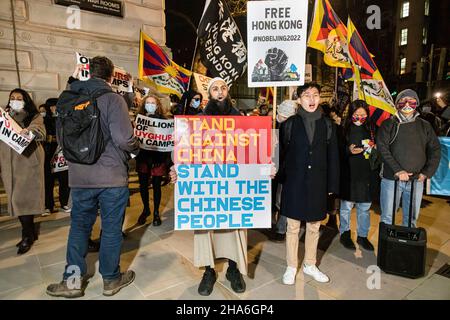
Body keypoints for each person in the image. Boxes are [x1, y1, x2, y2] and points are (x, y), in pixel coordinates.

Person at [46, 56, 140, 298]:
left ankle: (73, 281)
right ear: (110, 77)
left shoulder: (68, 98)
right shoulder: (113, 99)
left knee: (79, 228)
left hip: (79, 176)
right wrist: (135, 145)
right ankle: (111, 280)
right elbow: (123, 139)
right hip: (110, 177)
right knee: (110, 229)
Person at [170, 77, 247, 296]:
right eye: (215, 89)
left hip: (233, 182)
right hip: (207, 183)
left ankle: (233, 269)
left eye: (223, 88)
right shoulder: (198, 120)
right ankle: (209, 271)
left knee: (235, 227)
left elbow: (252, 148)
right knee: (206, 228)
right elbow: (184, 150)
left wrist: (264, 167)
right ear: (209, 94)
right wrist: (178, 169)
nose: (220, 92)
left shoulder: (239, 118)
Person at [279, 83, 339, 285]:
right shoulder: (289, 124)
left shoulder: (328, 125)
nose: (312, 99)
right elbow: (282, 155)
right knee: (293, 227)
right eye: (307, 95)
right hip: (294, 183)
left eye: (315, 95)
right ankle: (291, 266)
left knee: (314, 226)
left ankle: (310, 264)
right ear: (299, 99)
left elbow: (333, 157)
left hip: (318, 183)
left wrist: (332, 185)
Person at [377, 89, 441, 228]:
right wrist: (398, 171)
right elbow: (382, 149)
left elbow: (435, 150)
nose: (407, 104)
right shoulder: (388, 124)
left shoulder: (425, 126)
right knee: (388, 217)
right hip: (391, 180)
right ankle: (387, 248)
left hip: (416, 181)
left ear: (416, 103)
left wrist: (426, 173)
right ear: (397, 104)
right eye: (402, 101)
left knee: (411, 219)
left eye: (411, 101)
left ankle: (408, 248)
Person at [0, 88, 46, 255]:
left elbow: (40, 132)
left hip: (27, 163)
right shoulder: (4, 117)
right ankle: (30, 232)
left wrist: (29, 131)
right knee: (16, 199)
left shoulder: (33, 116)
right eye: (12, 98)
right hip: (8, 165)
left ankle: (27, 235)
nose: (15, 100)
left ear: (26, 100)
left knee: (23, 200)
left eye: (19, 98)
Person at [339, 100, 377, 251]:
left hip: (366, 174)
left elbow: (379, 150)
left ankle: (362, 236)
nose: (359, 118)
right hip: (349, 173)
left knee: (364, 207)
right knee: (346, 207)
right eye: (356, 115)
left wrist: (374, 148)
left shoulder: (372, 129)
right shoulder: (343, 129)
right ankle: (345, 234)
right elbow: (337, 151)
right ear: (351, 114)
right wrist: (348, 150)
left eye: (363, 115)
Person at [135, 94, 172, 226]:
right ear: (144, 105)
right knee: (143, 186)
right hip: (143, 158)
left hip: (158, 158)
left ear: (157, 106)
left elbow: (167, 142)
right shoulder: (139, 120)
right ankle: (146, 209)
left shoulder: (164, 120)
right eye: (148, 103)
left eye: (153, 103)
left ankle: (156, 212)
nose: (150, 105)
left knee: (157, 186)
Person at [269, 99, 297, 243]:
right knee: (272, 198)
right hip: (271, 167)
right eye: (282, 116)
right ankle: (270, 223)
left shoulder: (294, 127)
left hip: (285, 169)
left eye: (287, 118)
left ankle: (281, 228)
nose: (284, 120)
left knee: (282, 200)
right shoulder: (271, 125)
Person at [42, 98, 71, 215]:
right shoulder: (44, 120)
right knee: (48, 182)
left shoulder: (65, 119)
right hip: (49, 155)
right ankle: (48, 206)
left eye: (57, 105)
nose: (55, 108)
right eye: (53, 106)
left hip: (63, 155)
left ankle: (64, 203)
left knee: (64, 181)